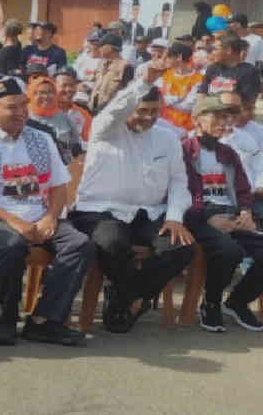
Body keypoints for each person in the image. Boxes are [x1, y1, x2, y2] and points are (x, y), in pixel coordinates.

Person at [0, 77, 93, 346]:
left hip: (39, 214)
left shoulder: (41, 139)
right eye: (11, 108)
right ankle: (7, 316)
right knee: (11, 244)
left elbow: (59, 186)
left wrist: (51, 216)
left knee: (80, 244)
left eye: (22, 106)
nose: (21, 113)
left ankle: (44, 320)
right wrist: (12, 220)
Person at [71, 60, 195, 333]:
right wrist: (145, 81)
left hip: (147, 213)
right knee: (112, 243)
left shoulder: (167, 138)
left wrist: (174, 218)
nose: (148, 118)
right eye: (142, 111)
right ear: (129, 109)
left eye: (154, 112)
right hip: (99, 211)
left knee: (181, 246)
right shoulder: (105, 130)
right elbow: (115, 111)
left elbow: (178, 183)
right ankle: (132, 299)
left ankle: (128, 297)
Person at [183, 95, 263, 332]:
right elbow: (181, 193)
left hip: (230, 215)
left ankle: (237, 302)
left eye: (226, 117)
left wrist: (245, 212)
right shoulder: (184, 150)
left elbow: (242, 188)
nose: (224, 123)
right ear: (197, 120)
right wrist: (208, 217)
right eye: (217, 117)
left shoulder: (228, 153)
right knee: (228, 251)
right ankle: (210, 302)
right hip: (197, 217)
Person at [27, 76, 82, 163]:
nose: (46, 96)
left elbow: (76, 147)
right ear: (31, 95)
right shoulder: (24, 120)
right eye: (40, 93)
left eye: (50, 92)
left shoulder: (65, 118)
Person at [199, 35, 261, 104]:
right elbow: (202, 94)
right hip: (209, 111)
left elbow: (248, 101)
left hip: (234, 113)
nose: (213, 52)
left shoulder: (248, 71)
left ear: (228, 50)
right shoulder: (212, 68)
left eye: (216, 49)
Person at [156, 41, 201, 134]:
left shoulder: (198, 79)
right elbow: (157, 99)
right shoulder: (164, 74)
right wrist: (179, 98)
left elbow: (188, 107)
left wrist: (166, 101)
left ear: (179, 57)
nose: (166, 60)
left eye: (168, 57)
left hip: (184, 130)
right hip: (162, 125)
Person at [88, 33, 133, 113]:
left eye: (101, 46)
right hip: (93, 109)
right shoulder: (101, 63)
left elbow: (127, 93)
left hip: (111, 112)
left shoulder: (125, 67)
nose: (99, 49)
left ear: (110, 47)